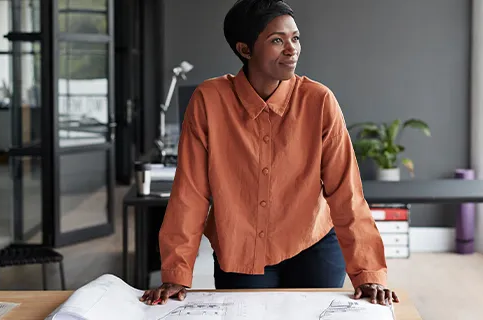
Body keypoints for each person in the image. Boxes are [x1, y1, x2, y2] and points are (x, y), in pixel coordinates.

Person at [140, 0, 395, 307]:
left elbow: (347, 193)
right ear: (245, 50)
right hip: (240, 247)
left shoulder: (319, 101)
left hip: (313, 243)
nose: (292, 49)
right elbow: (190, 191)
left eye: (295, 38)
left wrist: (368, 272)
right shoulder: (209, 100)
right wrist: (175, 273)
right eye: (277, 40)